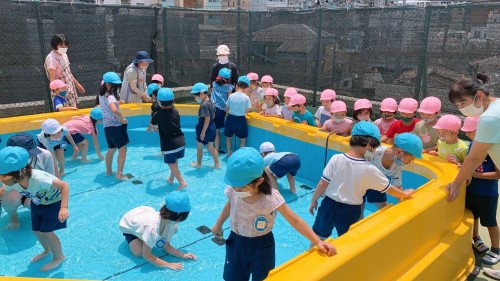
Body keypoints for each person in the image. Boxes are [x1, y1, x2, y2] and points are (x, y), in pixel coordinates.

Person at [211, 147, 336, 281]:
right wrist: (218, 224)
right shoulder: (234, 188)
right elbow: (230, 204)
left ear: (259, 181)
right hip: (237, 242)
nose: (237, 190)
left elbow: (295, 220)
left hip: (262, 246)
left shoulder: (270, 197)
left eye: (242, 187)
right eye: (235, 186)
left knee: (264, 279)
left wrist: (317, 241)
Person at [309, 121, 414, 238]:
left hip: (328, 204)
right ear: (369, 145)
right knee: (348, 240)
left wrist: (314, 200)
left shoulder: (336, 158)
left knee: (318, 238)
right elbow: (389, 189)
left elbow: (323, 183)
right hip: (350, 210)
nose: (374, 151)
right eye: (374, 148)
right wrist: (404, 194)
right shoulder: (370, 169)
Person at [0, 146, 69, 272]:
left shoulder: (39, 179)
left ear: (18, 173)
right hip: (38, 203)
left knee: (47, 232)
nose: (0, 178)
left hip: (53, 203)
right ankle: (47, 250)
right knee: (36, 230)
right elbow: (3, 191)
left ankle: (59, 257)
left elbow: (64, 186)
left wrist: (64, 208)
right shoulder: (12, 180)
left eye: (2, 175)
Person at [119, 191, 196, 271]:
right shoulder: (152, 229)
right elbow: (147, 255)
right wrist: (168, 264)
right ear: (180, 217)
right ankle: (137, 235)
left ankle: (144, 235)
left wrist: (182, 255)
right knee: (139, 253)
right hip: (129, 223)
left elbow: (166, 246)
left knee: (173, 228)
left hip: (143, 215)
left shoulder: (170, 222)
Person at [459, 116, 500, 265]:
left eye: (470, 132)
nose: (467, 134)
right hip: (472, 189)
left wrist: (476, 174)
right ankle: (476, 238)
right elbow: (468, 162)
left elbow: (498, 173)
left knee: (490, 221)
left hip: (487, 193)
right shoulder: (472, 144)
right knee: (473, 216)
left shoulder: (494, 149)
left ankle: (496, 249)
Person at [0, 134, 55, 230]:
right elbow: (3, 188)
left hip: (35, 190)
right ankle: (13, 217)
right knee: (7, 198)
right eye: (28, 152)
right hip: (13, 190)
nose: (34, 154)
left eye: (33, 150)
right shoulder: (4, 161)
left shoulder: (45, 154)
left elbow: (51, 179)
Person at [363, 133, 422, 212]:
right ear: (399, 152)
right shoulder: (375, 151)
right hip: (360, 181)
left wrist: (404, 198)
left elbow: (397, 187)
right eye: (410, 159)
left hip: (377, 184)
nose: (409, 162)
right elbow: (358, 158)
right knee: (358, 208)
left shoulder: (397, 166)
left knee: (384, 208)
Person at [151, 88, 187, 190]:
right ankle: (171, 178)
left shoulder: (158, 114)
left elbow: (152, 124)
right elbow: (172, 123)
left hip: (169, 144)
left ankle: (182, 182)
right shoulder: (176, 111)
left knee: (171, 164)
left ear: (159, 102)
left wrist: (154, 128)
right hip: (180, 142)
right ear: (173, 99)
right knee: (175, 161)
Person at [99, 72, 130, 181]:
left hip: (107, 128)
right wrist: (121, 117)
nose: (117, 88)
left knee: (111, 149)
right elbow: (113, 109)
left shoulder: (102, 95)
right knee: (123, 150)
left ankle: (108, 171)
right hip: (116, 127)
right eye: (116, 86)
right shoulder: (110, 97)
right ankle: (119, 174)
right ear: (108, 85)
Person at [44, 34, 85, 108]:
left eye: (65, 47)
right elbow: (52, 80)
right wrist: (59, 92)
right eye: (61, 46)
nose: (64, 48)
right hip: (60, 92)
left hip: (69, 88)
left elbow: (68, 72)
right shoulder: (51, 59)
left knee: (73, 110)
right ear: (55, 45)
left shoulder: (64, 54)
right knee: (64, 112)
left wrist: (77, 85)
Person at [189, 82, 220, 169]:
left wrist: (203, 132)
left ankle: (198, 164)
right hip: (212, 127)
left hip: (204, 128)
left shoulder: (204, 105)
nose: (195, 98)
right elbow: (212, 116)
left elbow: (207, 118)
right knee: (211, 147)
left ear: (201, 93)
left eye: (195, 96)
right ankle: (217, 164)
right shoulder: (211, 102)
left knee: (199, 146)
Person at [224, 76, 251, 157]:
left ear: (237, 86)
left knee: (229, 137)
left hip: (231, 118)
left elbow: (227, 108)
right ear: (245, 88)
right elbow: (247, 110)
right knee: (242, 138)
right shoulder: (246, 98)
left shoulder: (231, 96)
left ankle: (229, 152)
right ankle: (240, 154)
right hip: (241, 119)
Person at [211, 68, 235, 154]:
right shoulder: (229, 88)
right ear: (228, 79)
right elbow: (229, 100)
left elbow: (212, 96)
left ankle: (210, 147)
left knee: (213, 129)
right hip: (221, 111)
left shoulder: (214, 84)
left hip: (212, 109)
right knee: (217, 131)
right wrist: (228, 111)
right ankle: (216, 150)